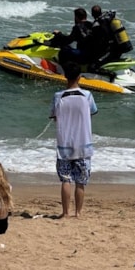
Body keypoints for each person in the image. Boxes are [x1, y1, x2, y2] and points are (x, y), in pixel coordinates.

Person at [49, 62, 98, 218]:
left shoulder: (58, 96)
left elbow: (54, 117)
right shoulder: (87, 95)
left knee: (65, 180)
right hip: (83, 144)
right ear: (80, 77)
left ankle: (65, 212)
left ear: (65, 76)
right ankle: (78, 212)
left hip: (64, 144)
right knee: (81, 181)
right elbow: (91, 113)